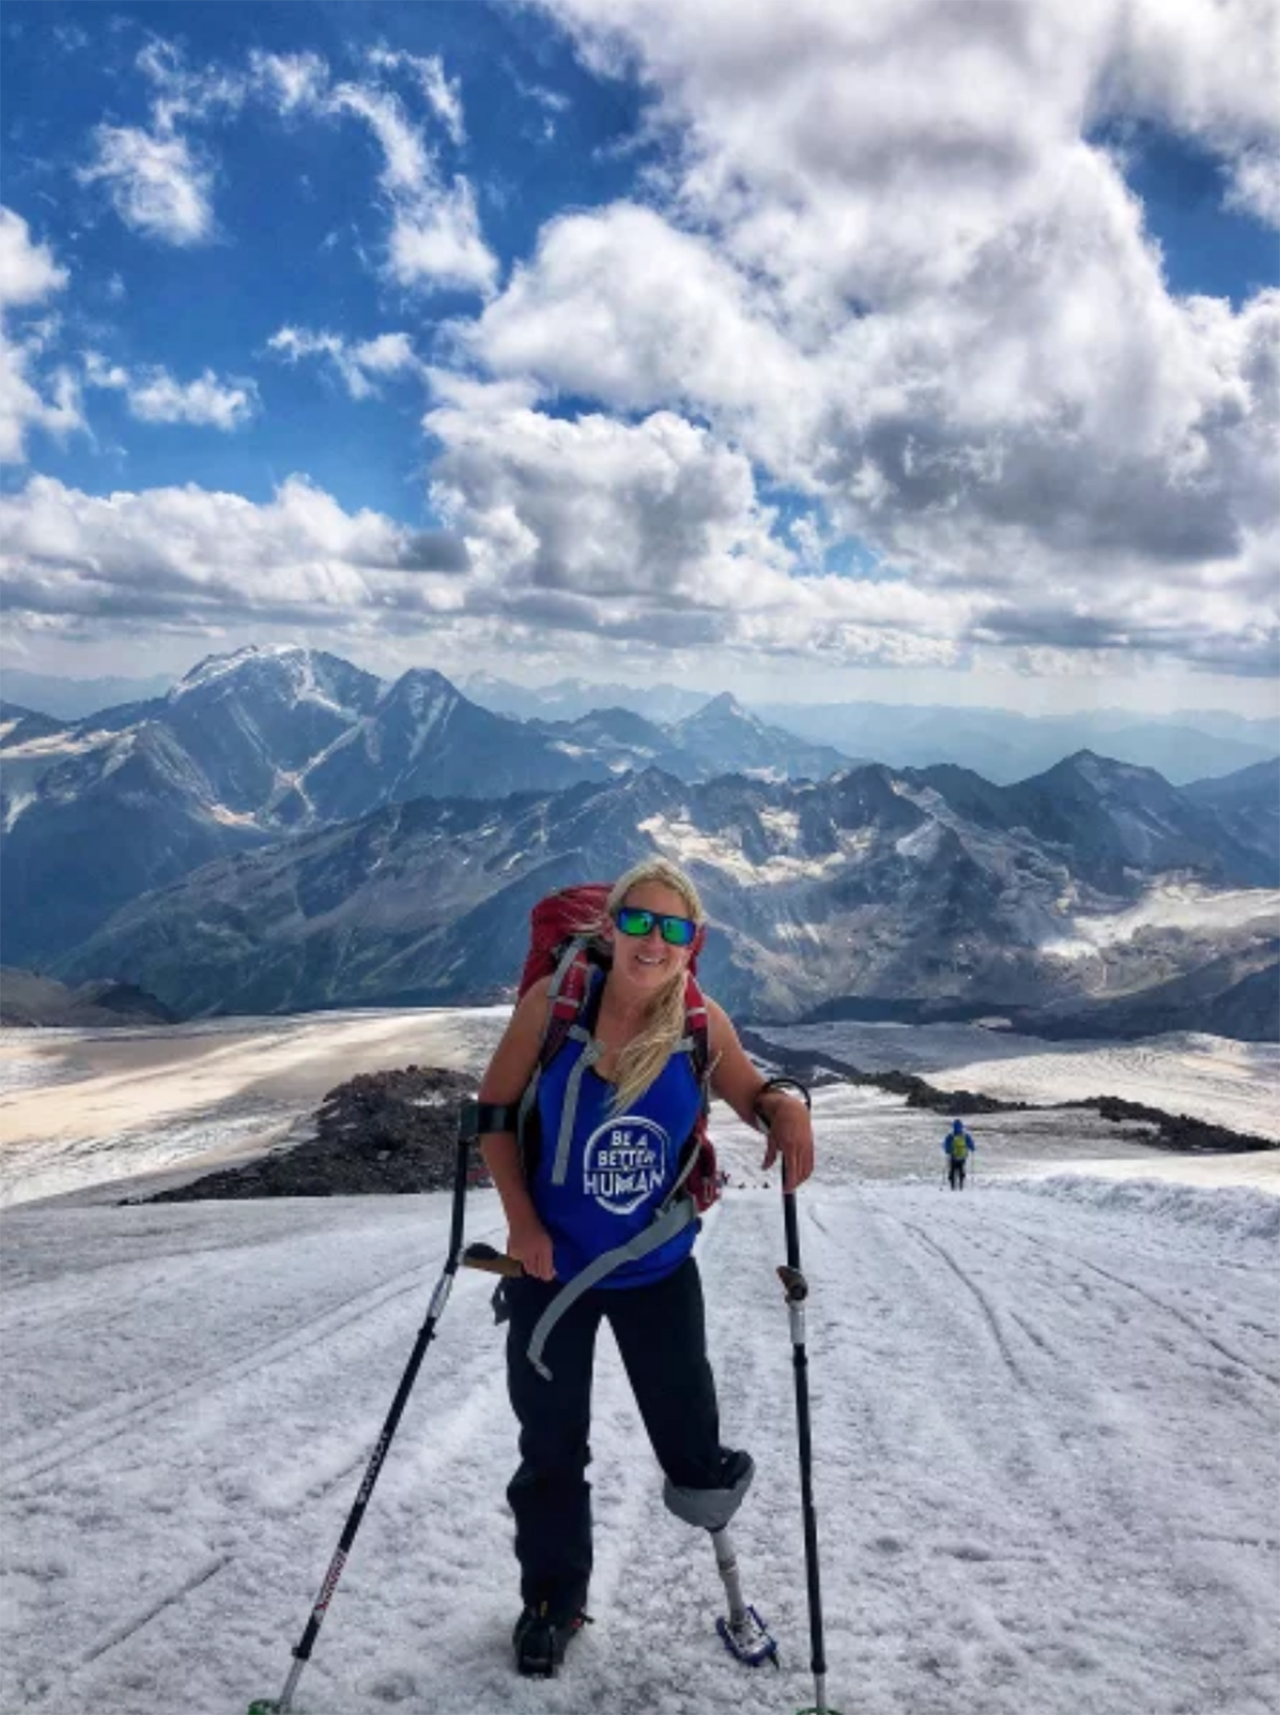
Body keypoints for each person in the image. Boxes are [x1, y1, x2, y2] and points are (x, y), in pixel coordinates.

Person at [477, 856, 815, 1676]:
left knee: (691, 1443)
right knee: (551, 1446)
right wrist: (521, 1223)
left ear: (692, 942)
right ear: (611, 926)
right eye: (638, 921)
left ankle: (707, 1494)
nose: (652, 940)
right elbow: (492, 1113)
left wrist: (788, 1103)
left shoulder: (699, 1021)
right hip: (549, 1272)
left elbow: (751, 1092)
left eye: (672, 928)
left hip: (656, 1269)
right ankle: (552, 1601)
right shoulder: (554, 1005)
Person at [942, 1117, 975, 1189]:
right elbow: (971, 1144)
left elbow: (945, 1145)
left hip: (953, 1156)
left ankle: (952, 1185)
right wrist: (972, 1148)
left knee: (952, 1170)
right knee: (961, 1169)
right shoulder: (965, 1135)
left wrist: (947, 1150)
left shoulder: (951, 1136)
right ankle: (961, 1184)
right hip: (962, 1156)